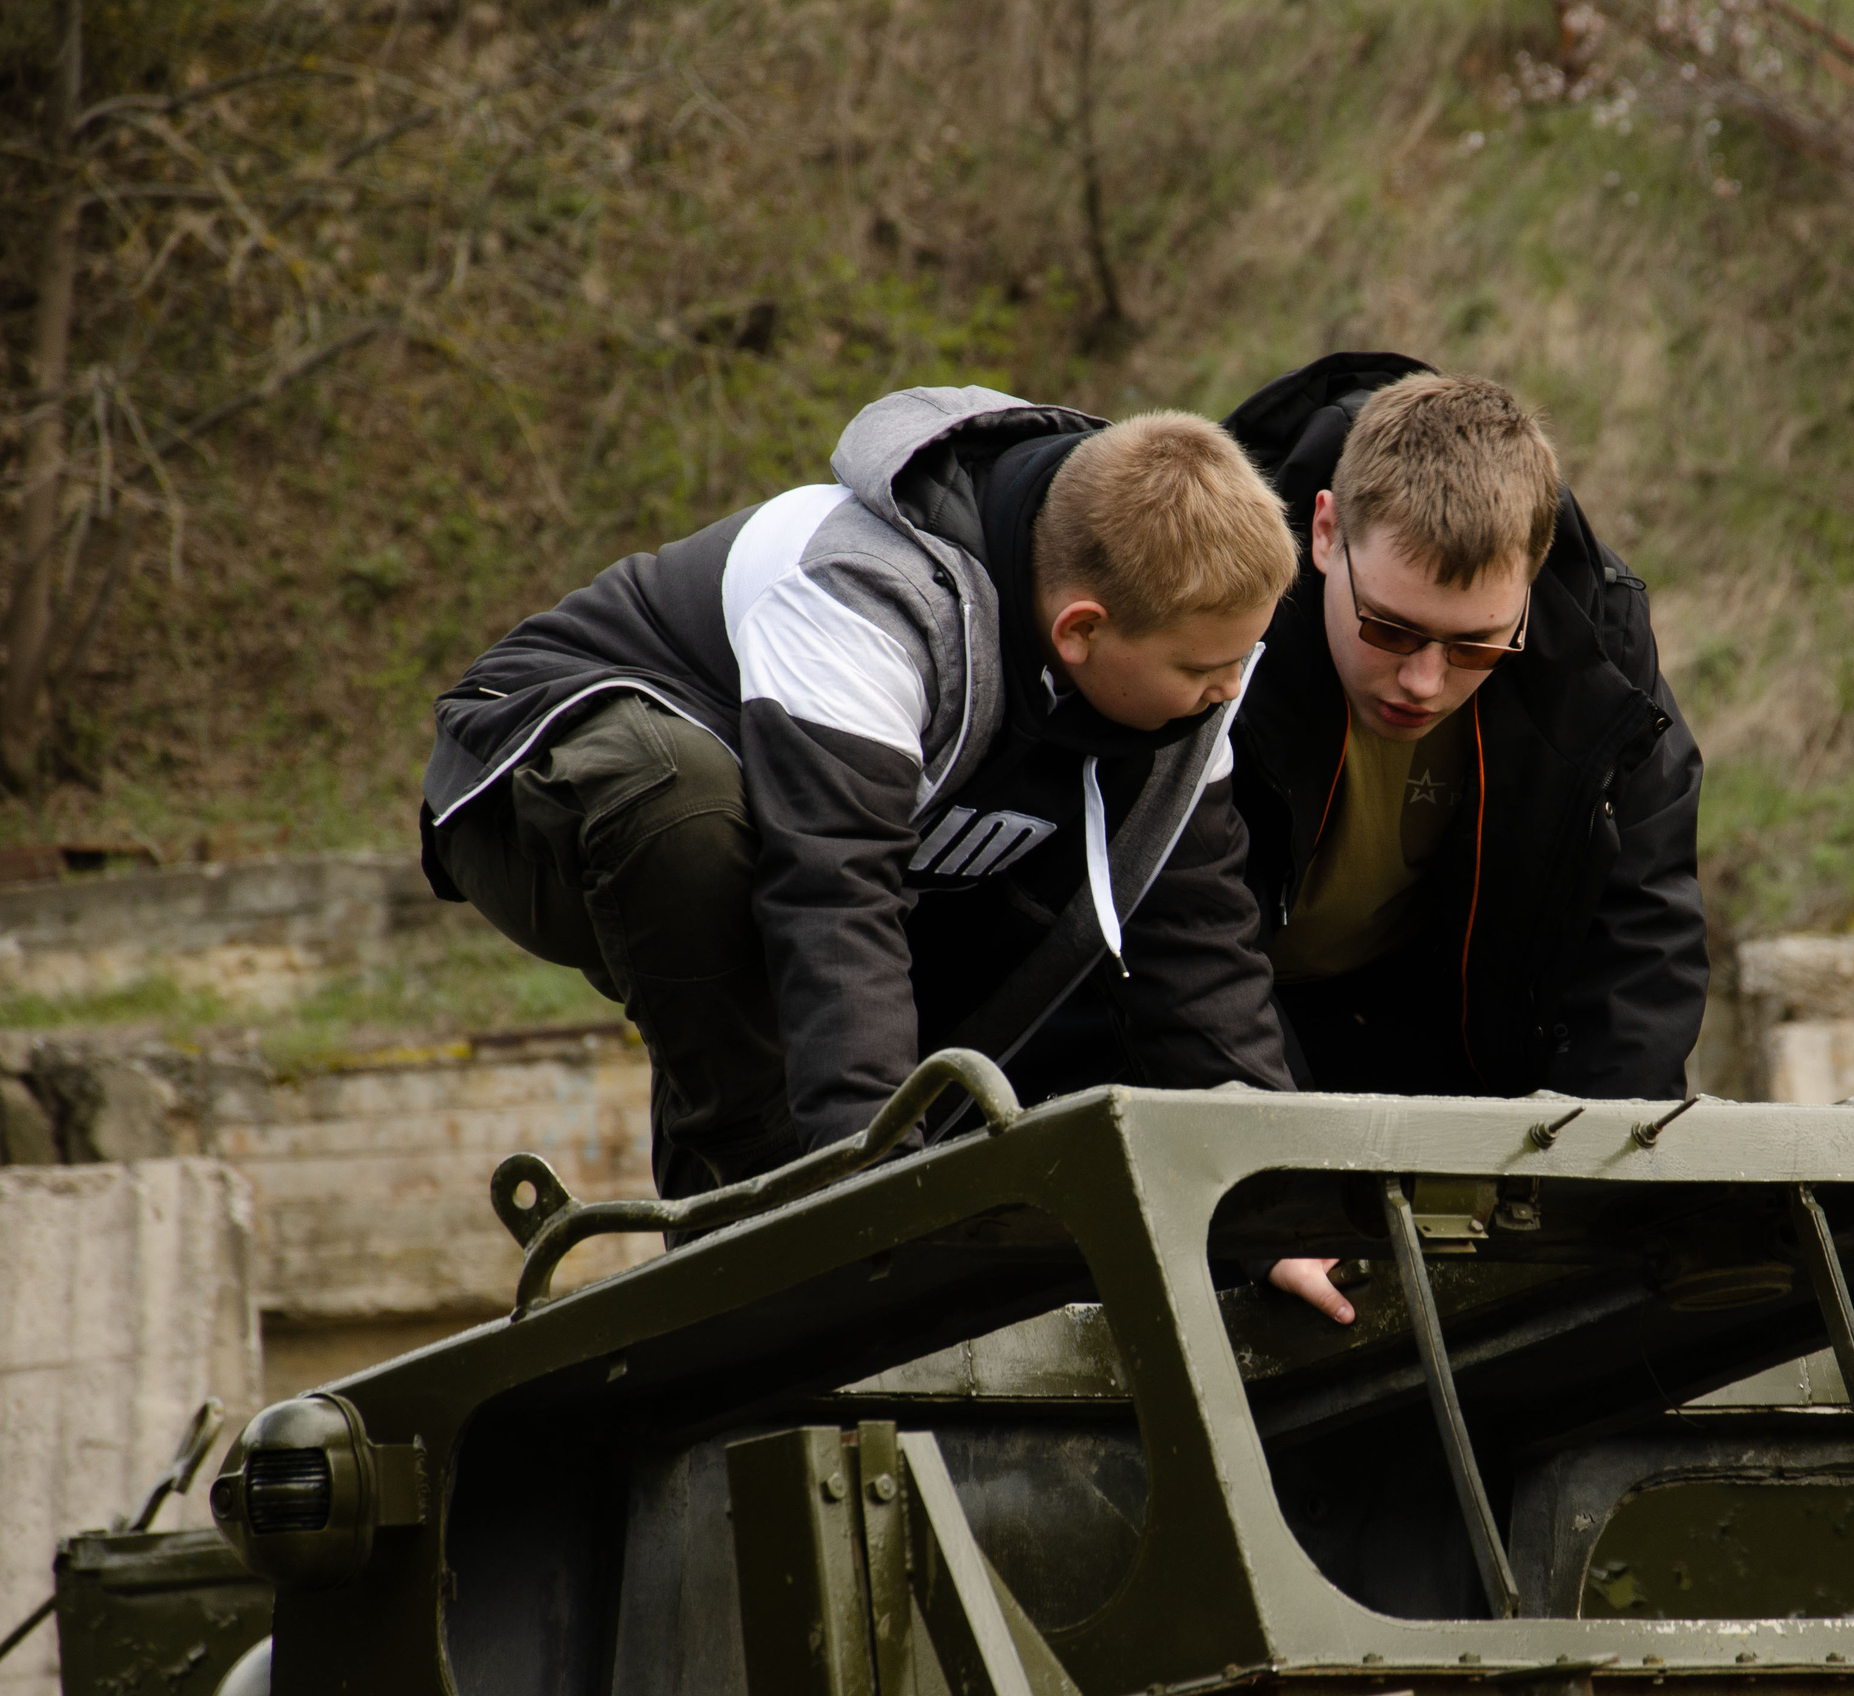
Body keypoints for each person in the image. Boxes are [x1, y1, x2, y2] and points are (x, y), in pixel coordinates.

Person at [418, 388, 1299, 1204]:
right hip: (531, 771)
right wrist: (878, 1192)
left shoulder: (1189, 678)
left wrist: (1282, 1210)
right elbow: (834, 901)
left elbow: (1199, 952)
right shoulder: (870, 604)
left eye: (1242, 660)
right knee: (686, 811)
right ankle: (753, 1218)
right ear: (1082, 630)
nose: (1232, 690)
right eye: (1203, 668)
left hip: (758, 818)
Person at [1220, 356, 1708, 1323]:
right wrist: (1265, 1208)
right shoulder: (1206, 608)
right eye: (1390, 630)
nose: (1425, 683)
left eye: (1478, 645)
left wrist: (1584, 1205)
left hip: (1448, 1032)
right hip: (1238, 1030)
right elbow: (1169, 945)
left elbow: (1643, 931)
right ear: (1324, 535)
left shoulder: (1595, 646)